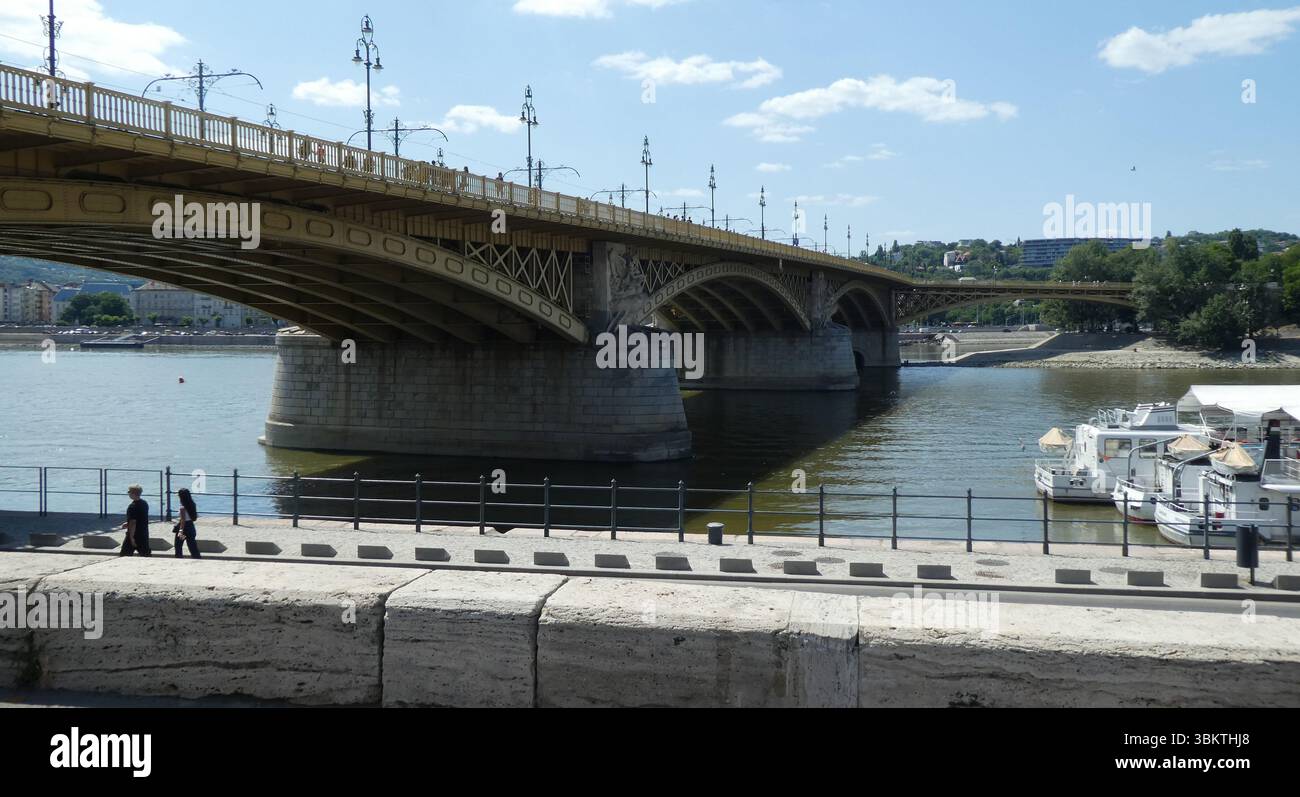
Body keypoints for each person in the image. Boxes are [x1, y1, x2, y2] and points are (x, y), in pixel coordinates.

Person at [118, 484, 152, 557]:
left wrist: (131, 537)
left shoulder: (132, 506)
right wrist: (128, 523)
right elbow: (141, 518)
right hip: (143, 533)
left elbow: (133, 522)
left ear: (133, 493)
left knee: (124, 554)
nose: (128, 493)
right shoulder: (144, 503)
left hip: (134, 534)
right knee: (146, 554)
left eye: (129, 492)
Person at [174, 488, 201, 559]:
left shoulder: (182, 507)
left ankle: (179, 558)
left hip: (184, 529)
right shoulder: (192, 505)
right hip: (191, 527)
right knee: (192, 545)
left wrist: (180, 531)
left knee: (178, 545)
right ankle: (197, 558)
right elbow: (194, 517)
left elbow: (183, 520)